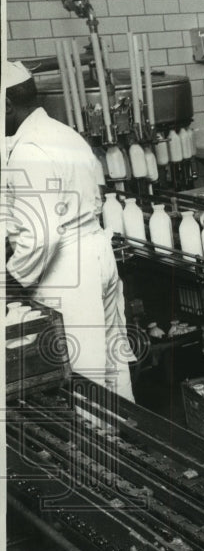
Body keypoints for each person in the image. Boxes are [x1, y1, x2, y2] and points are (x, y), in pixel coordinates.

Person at [4, 61, 134, 401]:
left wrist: (11, 280)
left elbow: (41, 235)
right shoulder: (65, 134)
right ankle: (125, 443)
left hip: (66, 270)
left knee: (82, 372)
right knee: (111, 365)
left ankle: (97, 448)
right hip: (97, 252)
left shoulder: (28, 149)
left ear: (5, 104)